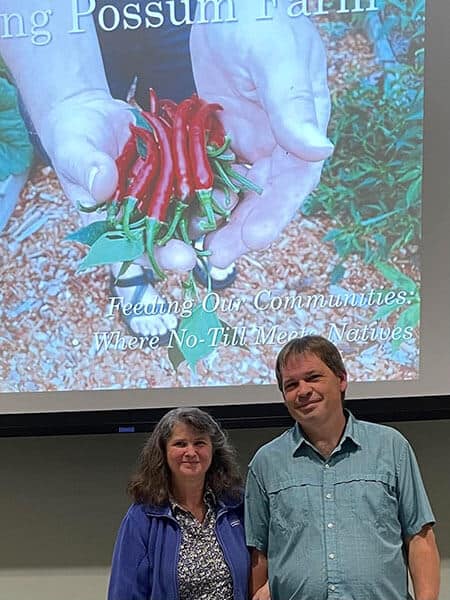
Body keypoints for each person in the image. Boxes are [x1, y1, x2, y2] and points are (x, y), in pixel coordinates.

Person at [0, 1, 332, 339]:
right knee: (94, 148)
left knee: (189, 111)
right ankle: (125, 258)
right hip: (67, 15)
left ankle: (204, 230)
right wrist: (65, 93)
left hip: (187, 10)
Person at [245, 335, 440, 600]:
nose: (302, 391)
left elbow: (420, 537)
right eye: (291, 384)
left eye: (313, 378)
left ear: (341, 379)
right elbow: (260, 555)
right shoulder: (265, 463)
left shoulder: (391, 447)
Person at [108, 406, 269, 600]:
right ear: (163, 452)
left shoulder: (237, 506)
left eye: (199, 443)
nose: (191, 452)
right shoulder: (142, 517)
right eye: (180, 444)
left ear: (213, 450)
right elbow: (124, 592)